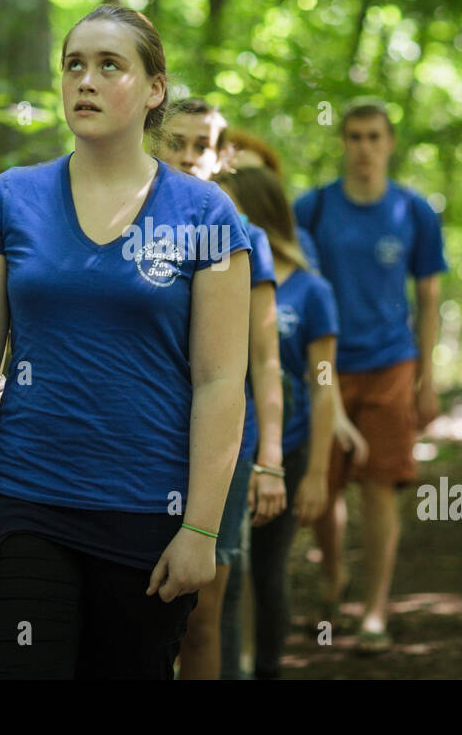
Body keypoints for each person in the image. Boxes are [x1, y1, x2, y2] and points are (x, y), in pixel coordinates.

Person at [0, 5, 252, 680]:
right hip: (24, 506)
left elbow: (222, 381)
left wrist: (202, 529)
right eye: (74, 64)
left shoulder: (208, 216)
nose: (85, 79)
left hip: (150, 513)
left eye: (110, 65)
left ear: (153, 89)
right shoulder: (7, 202)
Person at [294, 101, 447, 653]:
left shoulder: (414, 211)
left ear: (390, 143)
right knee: (324, 489)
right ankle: (334, 578)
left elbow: (428, 295)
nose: (364, 147)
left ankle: (375, 611)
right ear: (343, 142)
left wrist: (427, 377)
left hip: (391, 364)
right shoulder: (313, 209)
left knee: (381, 488)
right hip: (326, 367)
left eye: (374, 137)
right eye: (354, 136)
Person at [153, 97, 286, 679]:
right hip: (148, 436)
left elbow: (266, 358)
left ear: (222, 156)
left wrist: (272, 460)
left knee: (203, 610)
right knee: (140, 602)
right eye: (174, 143)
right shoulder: (129, 222)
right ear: (153, 143)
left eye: (200, 146)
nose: (186, 157)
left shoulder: (245, 237)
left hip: (226, 444)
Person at [218, 166, 339, 677]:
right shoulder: (217, 265)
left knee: (266, 572)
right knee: (228, 575)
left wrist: (314, 472)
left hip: (283, 448)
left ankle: (266, 669)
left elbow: (325, 382)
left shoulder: (312, 290)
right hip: (225, 443)